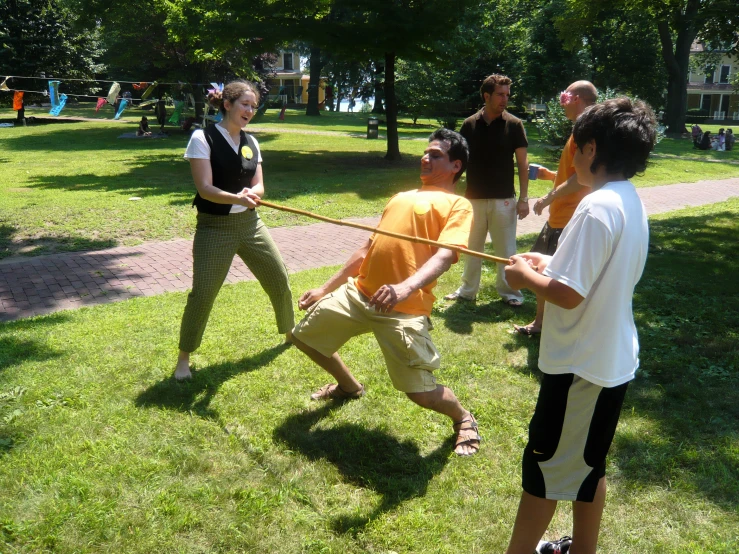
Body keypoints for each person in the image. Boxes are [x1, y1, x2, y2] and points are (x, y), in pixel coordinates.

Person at [502, 97, 656, 554]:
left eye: (575, 146)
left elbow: (569, 294)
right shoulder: (627, 200)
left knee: (544, 469)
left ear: (590, 148)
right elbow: (595, 270)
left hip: (580, 369)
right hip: (608, 361)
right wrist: (547, 261)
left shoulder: (595, 208)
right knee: (589, 465)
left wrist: (522, 276)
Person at [289, 128, 481, 457]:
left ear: (455, 166)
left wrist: (404, 287)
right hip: (359, 294)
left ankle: (464, 418)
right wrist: (325, 288)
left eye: (435, 155)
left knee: (419, 394)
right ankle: (349, 387)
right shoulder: (400, 197)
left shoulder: (458, 205)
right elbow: (366, 249)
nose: (425, 158)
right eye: (425, 152)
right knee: (303, 337)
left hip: (404, 308)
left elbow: (446, 254)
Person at [174, 80, 295, 381]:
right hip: (215, 228)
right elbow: (205, 189)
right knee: (203, 294)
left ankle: (292, 334)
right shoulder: (203, 138)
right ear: (227, 105)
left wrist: (255, 194)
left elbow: (260, 184)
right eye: (245, 104)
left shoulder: (251, 142)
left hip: (250, 224)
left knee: (278, 278)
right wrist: (237, 198)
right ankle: (183, 360)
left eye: (254, 106)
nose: (250, 111)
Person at [514, 81, 598, 336]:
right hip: (560, 216)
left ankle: (549, 326)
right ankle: (541, 323)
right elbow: (576, 173)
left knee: (548, 272)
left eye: (565, 97)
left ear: (577, 99)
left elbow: (581, 179)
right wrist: (552, 175)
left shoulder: (585, 132)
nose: (561, 103)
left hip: (568, 217)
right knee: (544, 268)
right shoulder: (580, 132)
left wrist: (548, 198)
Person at [445, 73, 530, 307]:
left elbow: (523, 164)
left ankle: (511, 293)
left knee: (506, 250)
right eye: (500, 95)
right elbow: (459, 161)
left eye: (507, 95)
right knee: (473, 247)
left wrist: (523, 198)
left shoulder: (514, 124)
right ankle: (467, 290)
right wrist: (450, 191)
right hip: (473, 198)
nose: (505, 99)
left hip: (504, 198)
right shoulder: (469, 124)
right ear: (486, 95)